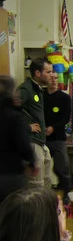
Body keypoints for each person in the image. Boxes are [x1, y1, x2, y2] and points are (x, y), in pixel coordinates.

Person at [17, 58, 53, 187]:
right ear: (38, 73)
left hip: (41, 142)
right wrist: (27, 127)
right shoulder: (25, 89)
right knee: (36, 184)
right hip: (32, 141)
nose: (52, 75)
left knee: (47, 181)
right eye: (48, 72)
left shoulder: (38, 89)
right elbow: (7, 111)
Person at [0, 76, 37, 204]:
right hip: (12, 173)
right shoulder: (14, 115)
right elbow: (23, 143)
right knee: (16, 208)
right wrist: (32, 162)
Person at [44, 71, 72, 204]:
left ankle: (67, 195)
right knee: (42, 168)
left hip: (58, 138)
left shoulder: (64, 98)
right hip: (42, 138)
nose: (54, 80)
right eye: (51, 78)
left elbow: (65, 118)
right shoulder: (41, 96)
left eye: (56, 78)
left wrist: (53, 128)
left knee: (62, 167)